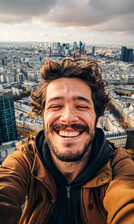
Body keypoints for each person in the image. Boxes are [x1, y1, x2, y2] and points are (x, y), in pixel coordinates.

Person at [0, 55, 134, 224]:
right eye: (55, 106)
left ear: (97, 118)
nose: (68, 117)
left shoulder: (120, 167)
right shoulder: (24, 161)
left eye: (82, 106)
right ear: (42, 117)